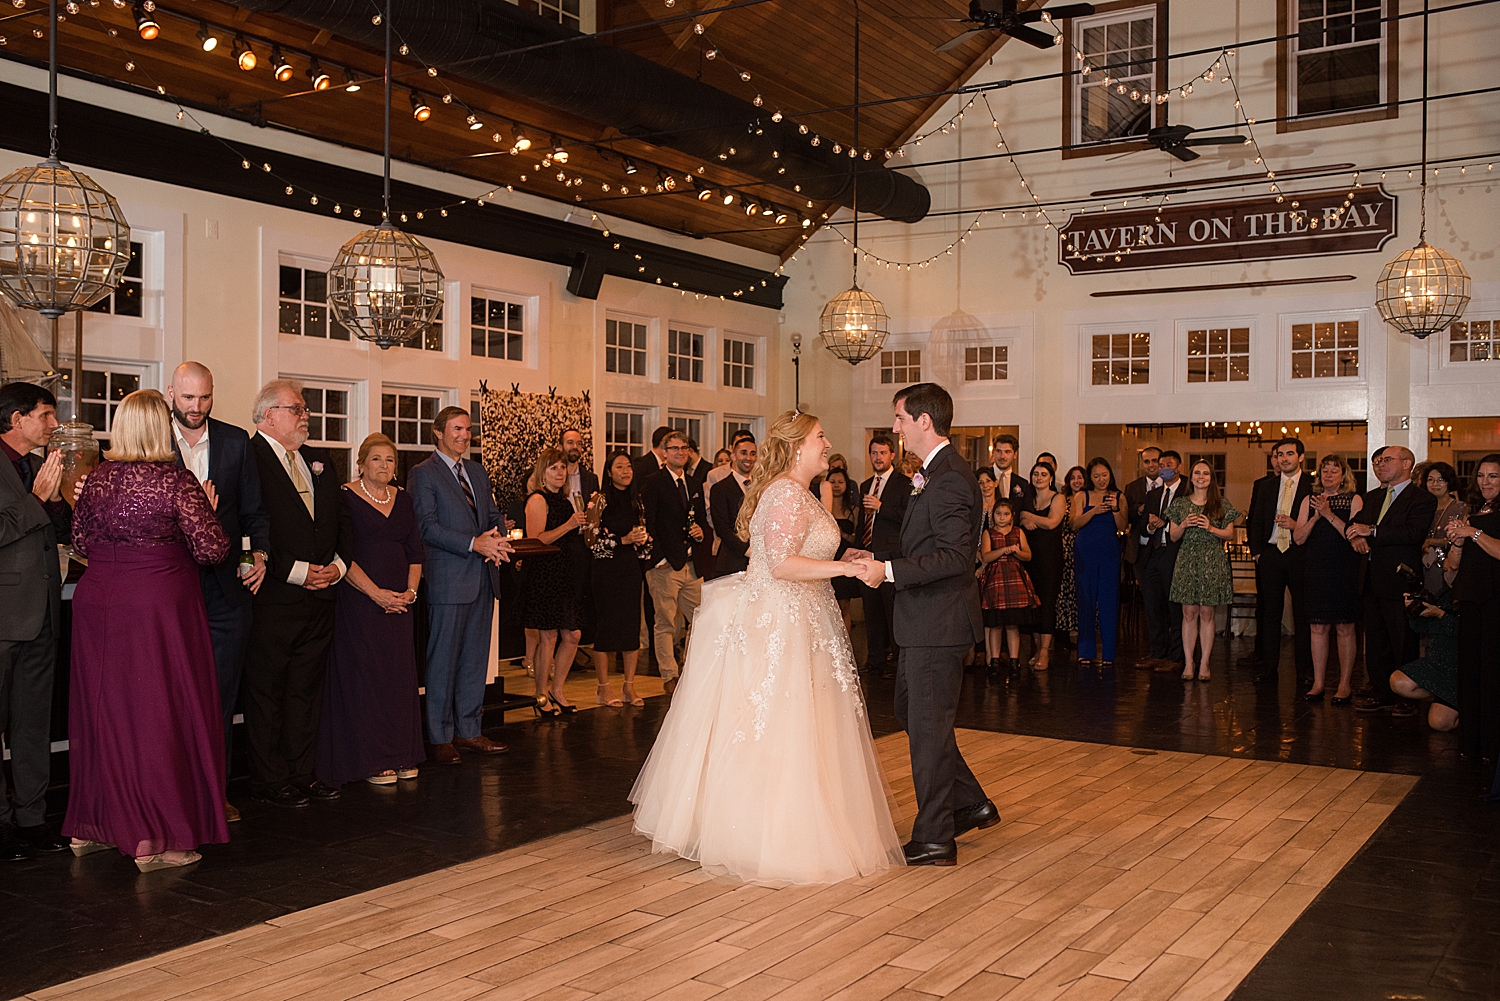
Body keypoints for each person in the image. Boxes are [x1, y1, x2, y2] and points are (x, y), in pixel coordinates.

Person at [630, 411, 901, 885]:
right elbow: (779, 565)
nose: (828, 442)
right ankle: (760, 833)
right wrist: (844, 571)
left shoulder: (806, 493)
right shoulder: (781, 492)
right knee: (778, 720)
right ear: (797, 446)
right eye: (821, 436)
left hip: (807, 618)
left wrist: (843, 556)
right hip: (781, 621)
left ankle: (809, 821)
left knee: (809, 723)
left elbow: (801, 551)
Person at [65, 390, 230, 870]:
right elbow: (213, 551)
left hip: (99, 600)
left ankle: (91, 827)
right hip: (157, 604)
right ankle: (155, 839)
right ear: (161, 428)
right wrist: (209, 508)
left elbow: (78, 542)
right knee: (158, 713)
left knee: (104, 710)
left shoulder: (94, 479)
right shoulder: (176, 481)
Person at [853, 383, 998, 868]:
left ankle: (935, 837)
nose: (894, 428)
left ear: (923, 422)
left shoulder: (951, 477)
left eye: (899, 418)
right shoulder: (931, 474)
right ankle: (968, 801)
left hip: (938, 624)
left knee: (928, 726)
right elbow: (924, 545)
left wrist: (889, 573)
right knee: (913, 714)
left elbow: (956, 558)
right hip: (923, 623)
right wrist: (875, 557)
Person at [166, 362, 270, 823]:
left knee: (220, 696)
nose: (196, 407)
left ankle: (215, 791)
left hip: (227, 591)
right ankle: (171, 794)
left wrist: (260, 556)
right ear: (171, 393)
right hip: (169, 588)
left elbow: (255, 513)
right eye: (188, 398)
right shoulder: (152, 441)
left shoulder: (234, 441)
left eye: (204, 398)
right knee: (171, 695)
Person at [243, 380, 352, 808]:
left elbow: (342, 522)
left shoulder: (319, 462)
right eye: (297, 409)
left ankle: (303, 773)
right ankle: (270, 779)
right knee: (268, 691)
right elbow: (248, 528)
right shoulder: (247, 460)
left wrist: (338, 567)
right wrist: (298, 572)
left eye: (304, 409)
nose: (305, 416)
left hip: (321, 597)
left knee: (306, 691)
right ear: (268, 415)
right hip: (274, 598)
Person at [316, 434, 425, 787]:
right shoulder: (344, 497)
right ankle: (373, 760)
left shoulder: (404, 500)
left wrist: (409, 592)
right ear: (360, 463)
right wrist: (377, 594)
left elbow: (415, 551)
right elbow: (342, 552)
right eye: (376, 459)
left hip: (400, 604)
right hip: (361, 600)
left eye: (390, 460)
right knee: (367, 677)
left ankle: (402, 754)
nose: (384, 466)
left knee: (398, 677)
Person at [409, 407, 511, 761]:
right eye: (457, 429)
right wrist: (474, 544)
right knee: (443, 662)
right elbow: (425, 526)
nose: (465, 435)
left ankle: (469, 731)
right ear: (438, 433)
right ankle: (440, 737)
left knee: (474, 661)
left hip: (484, 577)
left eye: (468, 429)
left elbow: (492, 515)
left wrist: (499, 538)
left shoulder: (478, 472)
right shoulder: (423, 474)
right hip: (448, 581)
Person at [0, 382, 73, 860]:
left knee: (32, 726)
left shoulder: (38, 464)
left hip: (43, 614)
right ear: (17, 420)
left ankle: (32, 817)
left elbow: (59, 531)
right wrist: (36, 499)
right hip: (3, 619)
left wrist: (61, 497)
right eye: (46, 415)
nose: (53, 425)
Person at [1347, 445, 1437, 716]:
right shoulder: (1372, 497)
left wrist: (1371, 531)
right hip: (1371, 578)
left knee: (1402, 640)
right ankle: (1380, 691)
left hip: (1399, 579)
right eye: (1378, 461)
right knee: (1375, 640)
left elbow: (1412, 533)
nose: (1380, 465)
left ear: (1407, 463)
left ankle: (1406, 697)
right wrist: (1357, 537)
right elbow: (1352, 525)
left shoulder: (1421, 499)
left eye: (1387, 460)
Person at [1292, 455, 1363, 704]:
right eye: (1325, 471)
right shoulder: (1308, 501)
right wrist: (1315, 517)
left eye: (1334, 471)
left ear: (1344, 475)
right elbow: (1298, 538)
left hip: (1344, 568)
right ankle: (1319, 682)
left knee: (1345, 626)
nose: (1329, 475)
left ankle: (1344, 684)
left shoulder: (1354, 500)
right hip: (1316, 569)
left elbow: (1352, 535)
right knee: (1317, 626)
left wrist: (1329, 513)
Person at [640, 430, 707, 694]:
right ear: (664, 453)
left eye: (685, 448)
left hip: (691, 563)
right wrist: (658, 558)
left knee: (702, 618)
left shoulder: (693, 483)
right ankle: (669, 675)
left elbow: (697, 518)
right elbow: (648, 522)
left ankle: (691, 668)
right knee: (666, 622)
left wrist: (700, 531)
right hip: (665, 565)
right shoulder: (653, 482)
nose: (680, 452)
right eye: (675, 448)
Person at [523, 448, 589, 715]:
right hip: (545, 574)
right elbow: (537, 539)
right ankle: (541, 696)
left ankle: (557, 689)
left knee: (573, 635)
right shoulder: (538, 499)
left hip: (566, 573)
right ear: (543, 472)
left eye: (563, 468)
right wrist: (570, 525)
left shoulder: (565, 500)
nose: (560, 473)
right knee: (548, 637)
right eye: (553, 468)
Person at [1245, 438, 1315, 689]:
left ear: (1301, 457)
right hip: (1271, 554)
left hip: (1300, 554)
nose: (1284, 458)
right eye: (1280, 454)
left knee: (1302, 615)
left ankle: (1304, 670)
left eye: (1289, 454)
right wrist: (1258, 553)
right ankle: (1268, 668)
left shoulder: (1312, 486)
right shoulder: (1267, 486)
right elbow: (1255, 520)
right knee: (1270, 614)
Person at [1445, 454, 1500, 763]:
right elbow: (1452, 567)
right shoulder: (1473, 512)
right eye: (1481, 476)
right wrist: (1457, 541)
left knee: (1493, 675)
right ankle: (1473, 743)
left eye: (1493, 476)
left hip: (1496, 603)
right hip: (1471, 602)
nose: (1485, 482)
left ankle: (1493, 746)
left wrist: (1474, 534)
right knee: (1471, 674)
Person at [1167, 461, 1240, 682]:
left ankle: (1205, 663)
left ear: (1211, 478)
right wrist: (1184, 525)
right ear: (1191, 477)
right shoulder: (1180, 504)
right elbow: (1173, 536)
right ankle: (1189, 663)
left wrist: (1210, 528)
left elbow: (1230, 535)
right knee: (1188, 613)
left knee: (1207, 613)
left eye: (1206, 473)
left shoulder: (1220, 503)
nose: (1201, 476)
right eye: (1197, 473)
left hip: (1211, 560)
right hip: (1187, 559)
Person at [587, 451, 650, 707]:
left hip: (630, 569)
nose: (626, 471)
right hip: (605, 570)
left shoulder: (637, 499)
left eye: (629, 467)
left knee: (630, 628)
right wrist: (621, 540)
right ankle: (603, 688)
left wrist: (642, 540)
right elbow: (590, 540)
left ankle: (629, 687)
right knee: (607, 628)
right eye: (619, 467)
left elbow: (644, 531)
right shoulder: (598, 499)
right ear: (609, 472)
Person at [855, 434, 911, 678]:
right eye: (874, 453)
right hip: (867, 554)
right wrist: (858, 548)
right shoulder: (865, 484)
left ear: (892, 456)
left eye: (882, 453)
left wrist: (881, 507)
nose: (878, 457)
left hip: (890, 555)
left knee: (892, 610)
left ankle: (899, 662)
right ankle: (875, 660)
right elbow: (862, 521)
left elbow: (908, 517)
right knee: (871, 610)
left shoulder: (905, 483)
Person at [1070, 458, 1127, 668]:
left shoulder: (1119, 497)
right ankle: (1085, 651)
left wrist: (1114, 509)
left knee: (1108, 601)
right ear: (1089, 478)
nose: (1101, 480)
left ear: (1110, 475)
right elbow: (1074, 523)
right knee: (1085, 600)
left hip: (1110, 552)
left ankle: (1109, 653)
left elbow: (1122, 526)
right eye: (1096, 476)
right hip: (1085, 552)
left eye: (1104, 475)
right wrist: (1093, 510)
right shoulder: (1081, 496)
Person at [1132, 452, 1185, 672]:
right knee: (1153, 607)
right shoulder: (1153, 495)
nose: (1163, 468)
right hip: (1152, 556)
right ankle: (1157, 653)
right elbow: (1144, 525)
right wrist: (1151, 526)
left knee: (1175, 609)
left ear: (1178, 467)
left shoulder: (1188, 491)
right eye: (1160, 465)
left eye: (1168, 465)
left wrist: (1165, 524)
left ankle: (1176, 656)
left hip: (1176, 555)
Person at [1390, 589, 1460, 733]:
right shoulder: (1444, 594)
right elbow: (1421, 627)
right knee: (1397, 682)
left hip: (1458, 669)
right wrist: (1413, 610)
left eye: (1452, 569)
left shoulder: (1474, 597)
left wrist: (1441, 615)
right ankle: (1441, 698)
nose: (1446, 569)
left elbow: (1468, 632)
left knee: (1439, 723)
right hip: (1435, 663)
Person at [980, 499, 1037, 672]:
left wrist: (1017, 552)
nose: (1002, 517)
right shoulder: (989, 533)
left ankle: (1014, 660)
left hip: (1015, 581)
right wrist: (1004, 550)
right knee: (996, 624)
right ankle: (994, 660)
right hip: (996, 581)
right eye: (998, 514)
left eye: (1006, 514)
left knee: (1013, 624)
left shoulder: (1018, 532)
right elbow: (986, 557)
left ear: (1012, 516)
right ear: (993, 515)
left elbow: (1028, 556)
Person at [1019, 462, 1066, 671]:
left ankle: (1046, 651)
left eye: (1043, 474)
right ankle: (1037, 648)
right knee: (1033, 603)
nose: (1039, 477)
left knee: (1047, 602)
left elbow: (1052, 523)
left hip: (1050, 558)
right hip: (1029, 557)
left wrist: (1028, 517)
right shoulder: (1027, 498)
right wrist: (1023, 517)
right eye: (1035, 473)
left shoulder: (1058, 497)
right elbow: (1017, 517)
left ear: (1051, 478)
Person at [708, 435, 756, 579]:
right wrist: (747, 550)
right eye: (743, 453)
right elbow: (722, 527)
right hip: (732, 562)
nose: (748, 458)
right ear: (733, 456)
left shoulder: (762, 487)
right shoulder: (720, 488)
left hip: (760, 562)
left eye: (752, 454)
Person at [821, 467, 860, 634]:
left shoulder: (853, 510)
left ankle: (846, 646)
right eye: (832, 482)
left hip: (845, 559)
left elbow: (856, 539)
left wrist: (841, 533)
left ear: (847, 485)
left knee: (844, 606)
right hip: (826, 559)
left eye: (840, 482)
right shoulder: (820, 507)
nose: (836, 485)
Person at [1421, 461, 1466, 595]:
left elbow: (1460, 538)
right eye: (1430, 480)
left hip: (1448, 566)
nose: (1435, 484)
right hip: (1423, 565)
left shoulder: (1461, 507)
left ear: (1448, 482)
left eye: (1440, 480)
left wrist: (1430, 542)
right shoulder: (1422, 508)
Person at [1056, 466, 1086, 641]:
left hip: (1083, 547)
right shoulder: (1063, 500)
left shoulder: (1090, 499)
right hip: (1065, 548)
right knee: (1064, 591)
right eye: (1073, 478)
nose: (1077, 481)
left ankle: (1082, 632)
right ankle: (1063, 632)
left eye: (1080, 477)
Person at [1123, 446, 1163, 569]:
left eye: (1155, 460)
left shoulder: (1172, 485)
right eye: (1146, 461)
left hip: (1165, 548)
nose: (1151, 465)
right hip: (1140, 549)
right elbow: (1126, 517)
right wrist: (1139, 510)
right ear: (1142, 464)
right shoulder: (1132, 488)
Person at [989, 434, 1033, 510]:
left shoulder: (1023, 484)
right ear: (993, 452)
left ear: (1015, 454)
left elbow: (1027, 512)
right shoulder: (981, 478)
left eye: (1007, 452)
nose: (1002, 456)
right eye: (998, 451)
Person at [559, 428, 599, 507]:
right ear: (560, 447)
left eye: (579, 443)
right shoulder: (554, 477)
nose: (575, 446)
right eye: (570, 442)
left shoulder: (591, 479)